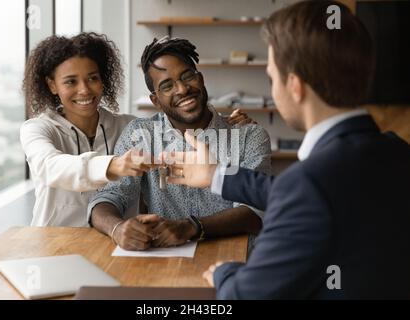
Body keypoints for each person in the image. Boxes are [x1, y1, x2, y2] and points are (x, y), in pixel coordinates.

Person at [164, 1, 410, 299]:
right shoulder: (396, 150)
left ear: (295, 85)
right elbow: (308, 196)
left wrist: (224, 272)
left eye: (271, 76)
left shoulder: (309, 185)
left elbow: (242, 297)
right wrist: (217, 174)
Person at [21, 32, 251, 227]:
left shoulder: (128, 128)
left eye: (92, 78)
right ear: (52, 85)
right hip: (56, 238)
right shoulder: (38, 129)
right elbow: (49, 167)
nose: (84, 90)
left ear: (103, 80)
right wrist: (115, 165)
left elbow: (174, 119)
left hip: (117, 244)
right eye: (71, 82)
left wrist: (224, 122)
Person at [88, 37, 271, 251]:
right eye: (167, 86)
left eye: (187, 76)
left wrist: (190, 227)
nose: (182, 89)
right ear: (155, 100)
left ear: (201, 79)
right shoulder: (141, 135)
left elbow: (254, 212)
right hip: (165, 260)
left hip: (234, 259)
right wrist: (116, 228)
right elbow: (108, 197)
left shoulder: (248, 135)